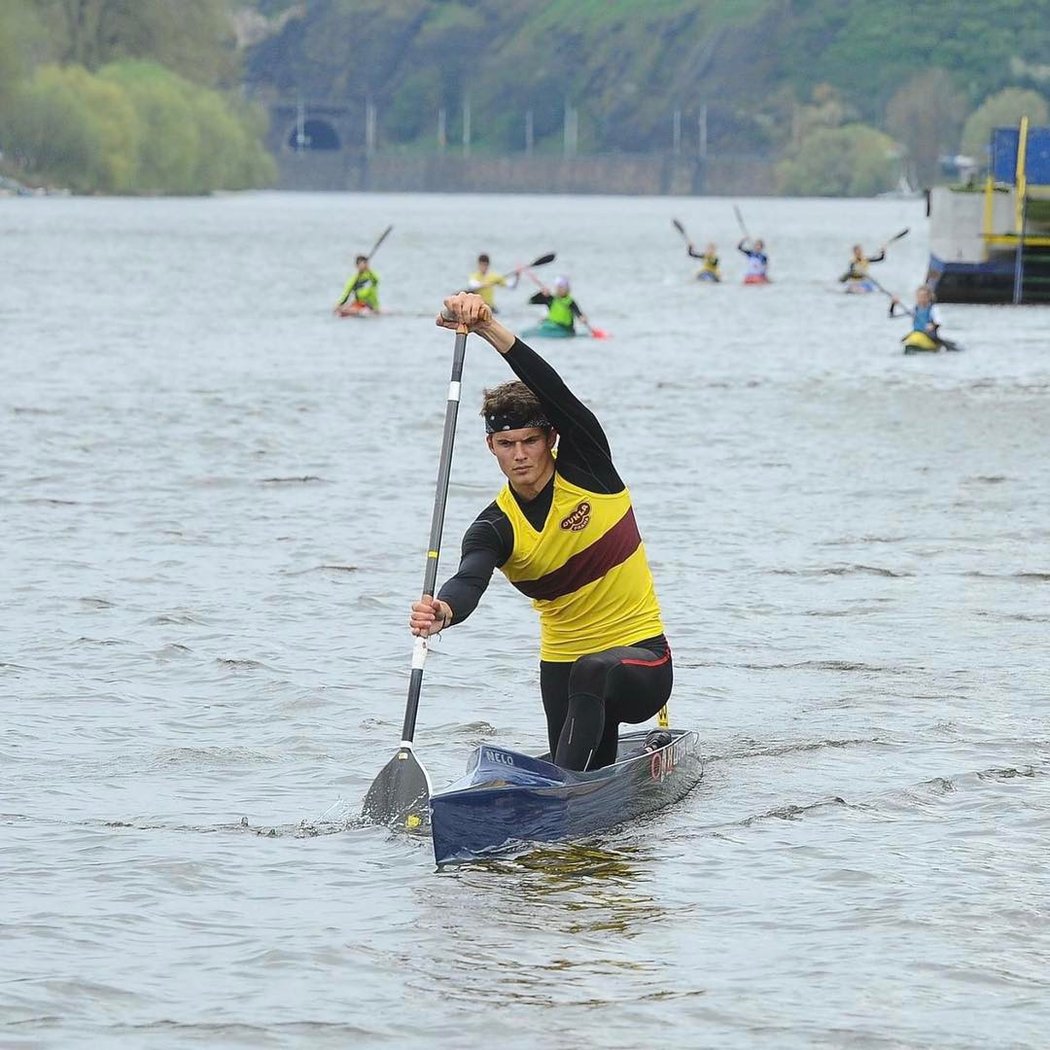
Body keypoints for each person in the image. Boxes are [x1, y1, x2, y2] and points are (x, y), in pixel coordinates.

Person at [409, 292, 671, 772]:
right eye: (507, 444)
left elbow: (555, 392)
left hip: (642, 663)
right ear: (491, 447)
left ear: (550, 439)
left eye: (531, 440)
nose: (521, 454)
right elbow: (469, 580)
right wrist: (443, 611)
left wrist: (489, 327)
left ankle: (562, 795)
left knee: (594, 671)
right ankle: (573, 803)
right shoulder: (494, 527)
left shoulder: (590, 470)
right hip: (564, 669)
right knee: (583, 720)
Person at [890, 284, 945, 349]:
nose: (922, 299)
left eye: (924, 297)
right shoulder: (914, 309)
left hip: (929, 336)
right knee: (906, 339)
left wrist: (933, 326)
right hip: (916, 334)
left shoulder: (933, 309)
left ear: (929, 297)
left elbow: (939, 322)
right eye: (919, 297)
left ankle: (933, 345)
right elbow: (892, 315)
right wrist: (893, 304)